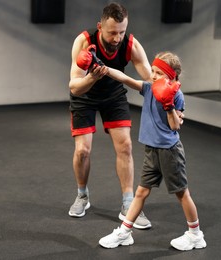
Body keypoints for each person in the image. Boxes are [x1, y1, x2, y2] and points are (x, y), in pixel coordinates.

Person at [98, 51, 207, 251]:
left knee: (182, 193)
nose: (153, 75)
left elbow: (175, 126)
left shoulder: (177, 95)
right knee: (141, 192)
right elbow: (125, 78)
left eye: (158, 73)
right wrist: (103, 68)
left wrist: (168, 106)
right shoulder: (148, 88)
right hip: (152, 150)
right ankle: (124, 232)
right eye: (153, 71)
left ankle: (195, 235)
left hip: (169, 152)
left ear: (171, 76)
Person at [68, 2, 152, 229]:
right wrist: (92, 78)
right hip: (85, 95)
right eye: (112, 32)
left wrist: (170, 91)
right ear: (100, 26)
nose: (117, 38)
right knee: (82, 151)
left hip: (113, 95)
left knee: (125, 146)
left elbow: (151, 79)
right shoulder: (84, 41)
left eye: (121, 32)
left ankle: (128, 203)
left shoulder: (131, 45)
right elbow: (75, 87)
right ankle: (82, 195)